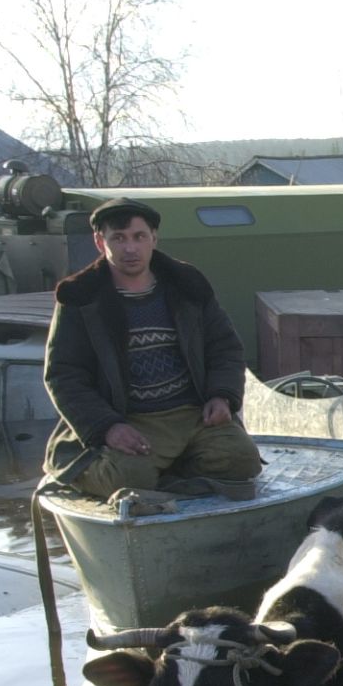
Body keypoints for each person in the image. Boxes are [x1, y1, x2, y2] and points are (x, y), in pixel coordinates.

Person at [42, 198, 262, 501]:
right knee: (131, 480)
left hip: (192, 414)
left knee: (242, 462)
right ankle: (88, 472)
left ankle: (171, 470)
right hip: (128, 419)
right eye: (118, 238)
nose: (130, 248)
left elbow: (224, 348)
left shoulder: (186, 286)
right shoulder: (81, 299)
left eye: (139, 237)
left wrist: (221, 395)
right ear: (98, 241)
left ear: (153, 239)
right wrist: (108, 427)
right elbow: (63, 376)